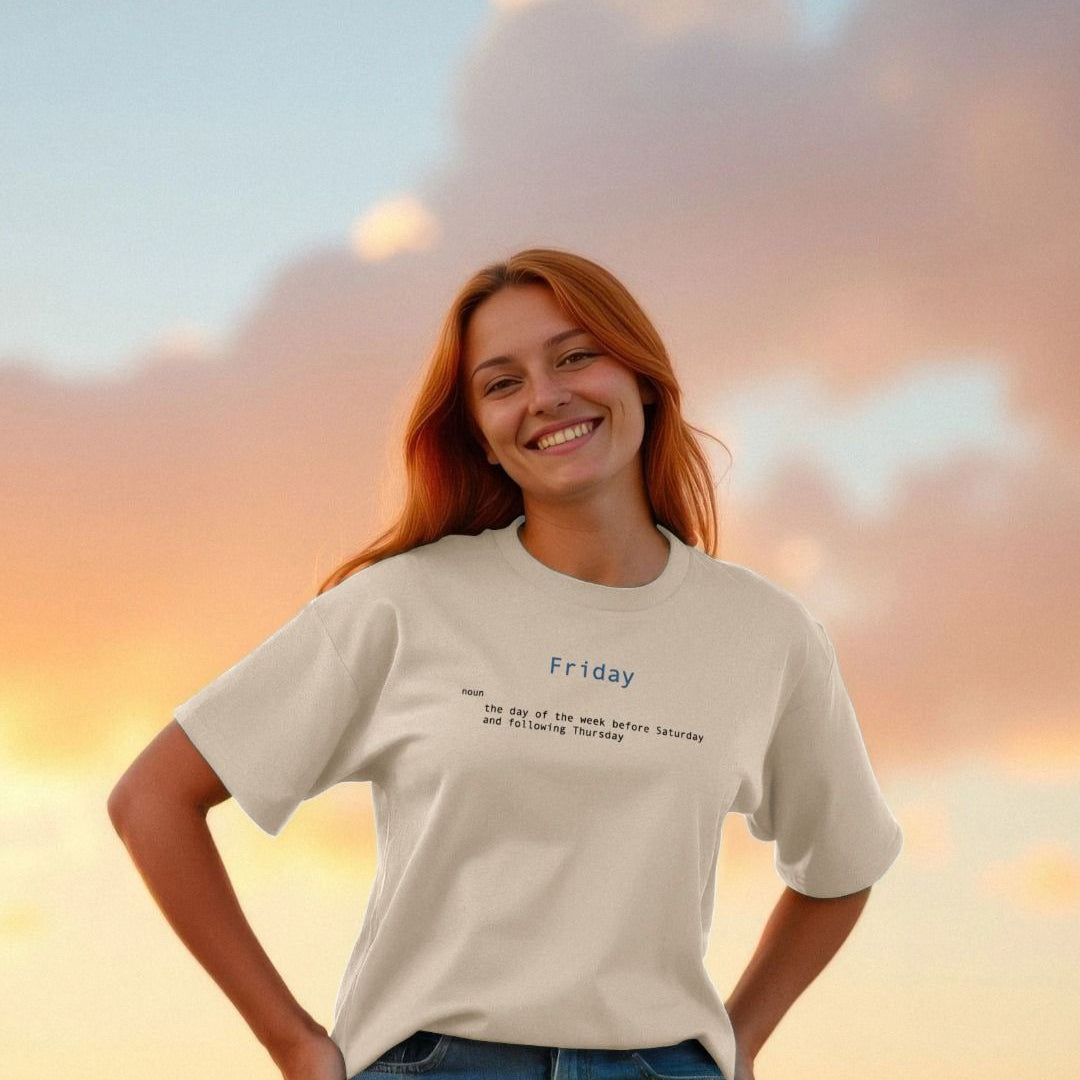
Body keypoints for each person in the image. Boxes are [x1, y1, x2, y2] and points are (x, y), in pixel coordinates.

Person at [107, 248, 903, 1080]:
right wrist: (293, 1044)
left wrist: (738, 1044)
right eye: (501, 383)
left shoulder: (765, 634)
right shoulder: (402, 605)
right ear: (481, 439)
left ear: (642, 380)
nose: (546, 396)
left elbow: (843, 861)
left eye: (575, 356)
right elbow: (153, 799)